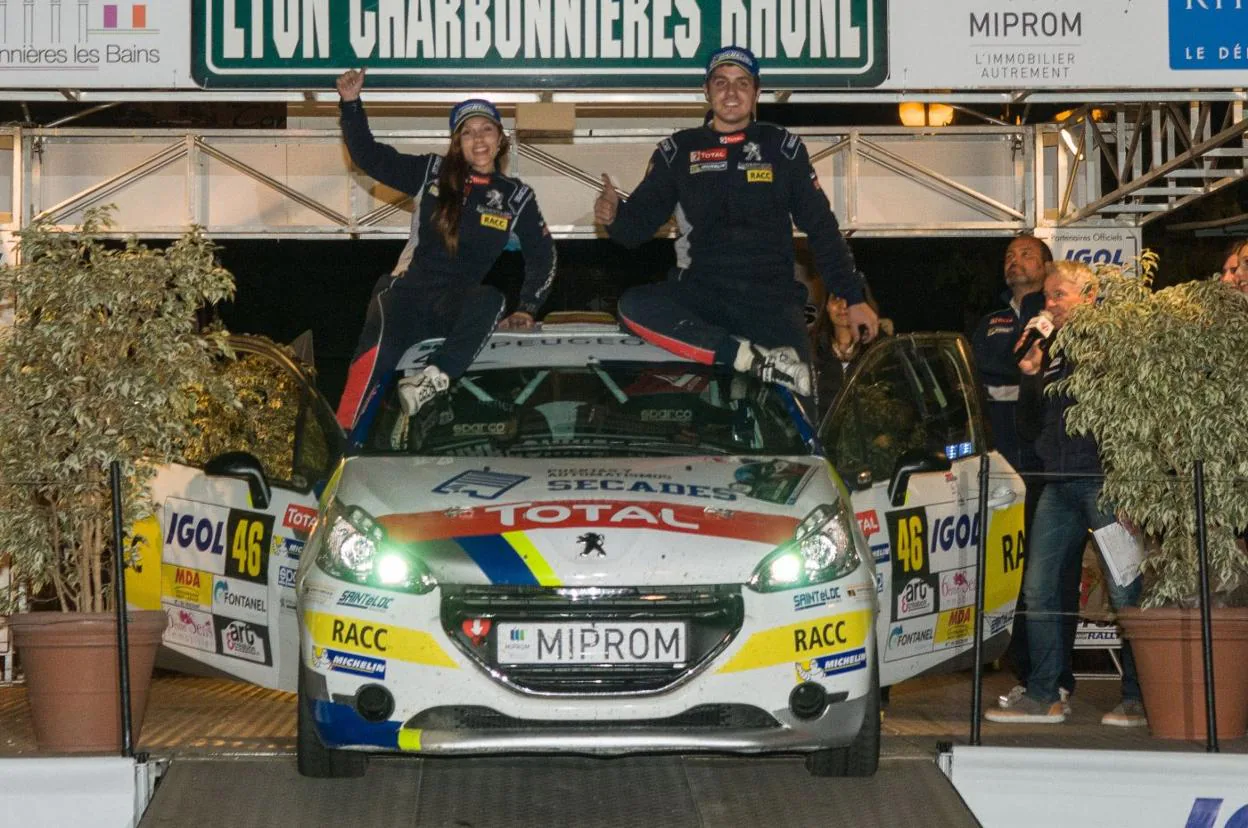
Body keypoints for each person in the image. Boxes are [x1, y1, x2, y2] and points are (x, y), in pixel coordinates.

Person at [593, 46, 878, 400]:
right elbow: (632, 232)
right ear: (706, 91)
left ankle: (764, 363)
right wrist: (613, 215)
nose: (732, 92)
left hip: (771, 302)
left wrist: (852, 296)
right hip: (704, 296)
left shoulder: (782, 147)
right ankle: (743, 356)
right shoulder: (678, 151)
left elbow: (822, 228)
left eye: (742, 83)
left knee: (805, 422)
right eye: (721, 82)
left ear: (756, 93)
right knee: (633, 305)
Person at [334, 68, 556, 431]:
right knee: (371, 366)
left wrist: (528, 308)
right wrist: (351, 104)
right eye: (467, 132)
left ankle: (433, 379)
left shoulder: (517, 197)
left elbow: (543, 254)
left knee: (491, 299)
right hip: (406, 294)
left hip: (453, 304)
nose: (478, 139)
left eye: (486, 129)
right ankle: (341, 443)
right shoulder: (431, 172)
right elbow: (369, 157)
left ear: (501, 139)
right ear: (457, 143)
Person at [986, 260, 1147, 727]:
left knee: (1125, 590)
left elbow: (1133, 418)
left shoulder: (1114, 344)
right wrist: (1032, 372)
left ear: (1089, 295)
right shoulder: (1050, 350)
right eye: (1048, 297)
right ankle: (1046, 695)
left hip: (1105, 486)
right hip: (1058, 485)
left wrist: (1130, 484)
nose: (1049, 304)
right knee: (1038, 590)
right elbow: (1029, 427)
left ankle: (1137, 696)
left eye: (1059, 295)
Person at [813, 282, 890, 422]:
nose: (843, 306)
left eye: (850, 299)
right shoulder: (812, 348)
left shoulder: (881, 348)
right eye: (836, 298)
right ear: (826, 306)